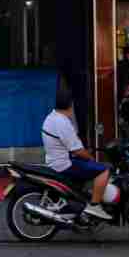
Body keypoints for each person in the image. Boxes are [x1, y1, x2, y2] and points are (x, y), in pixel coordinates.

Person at [43, 81, 111, 220]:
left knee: (87, 165)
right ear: (70, 105)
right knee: (103, 170)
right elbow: (78, 151)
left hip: (54, 160)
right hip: (64, 164)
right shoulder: (62, 122)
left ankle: (80, 199)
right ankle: (95, 205)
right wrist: (92, 158)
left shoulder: (51, 117)